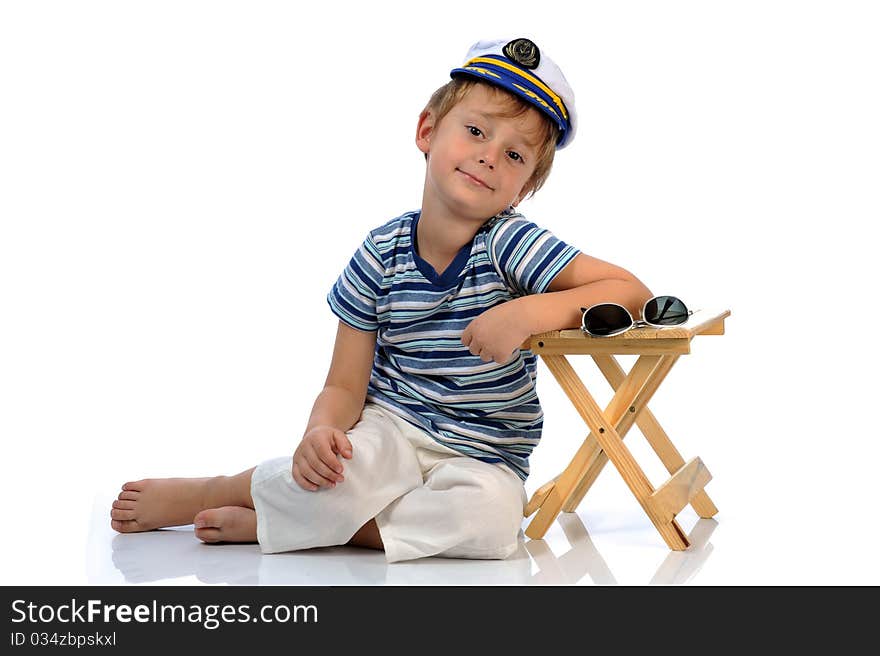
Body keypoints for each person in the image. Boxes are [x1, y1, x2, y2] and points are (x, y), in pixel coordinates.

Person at [111, 37, 654, 562]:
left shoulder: (512, 244)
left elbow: (631, 292)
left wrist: (527, 310)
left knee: (491, 524)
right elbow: (345, 384)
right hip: (392, 426)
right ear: (426, 131)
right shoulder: (381, 251)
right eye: (474, 131)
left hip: (484, 452)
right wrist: (320, 432)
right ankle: (214, 490)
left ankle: (297, 527)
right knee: (338, 474)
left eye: (513, 154)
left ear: (526, 187)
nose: (489, 157)